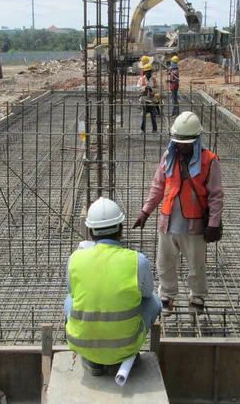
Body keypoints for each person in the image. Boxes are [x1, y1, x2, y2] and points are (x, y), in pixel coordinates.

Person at [133, 112, 224, 312]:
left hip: (195, 225)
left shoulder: (209, 161)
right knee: (164, 263)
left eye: (187, 143)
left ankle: (197, 297)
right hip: (168, 222)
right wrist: (145, 211)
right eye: (179, 142)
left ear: (197, 139)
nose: (182, 147)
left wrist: (213, 224)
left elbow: (215, 195)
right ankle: (166, 296)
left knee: (196, 264)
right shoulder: (169, 157)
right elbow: (158, 187)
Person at [65, 197, 162, 376]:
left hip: (83, 344)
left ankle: (92, 360)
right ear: (121, 230)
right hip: (127, 344)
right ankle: (122, 358)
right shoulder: (137, 260)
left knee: (70, 299)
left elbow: (72, 292)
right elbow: (147, 295)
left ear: (91, 233)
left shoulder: (75, 259)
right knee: (154, 300)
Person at [137, 63, 158, 133]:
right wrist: (144, 88)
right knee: (143, 115)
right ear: (145, 72)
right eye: (147, 71)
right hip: (144, 99)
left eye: (149, 71)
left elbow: (158, 89)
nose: (148, 72)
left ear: (151, 71)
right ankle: (142, 130)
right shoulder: (141, 79)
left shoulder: (155, 80)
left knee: (153, 116)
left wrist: (152, 90)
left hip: (152, 100)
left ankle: (154, 130)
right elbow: (138, 89)